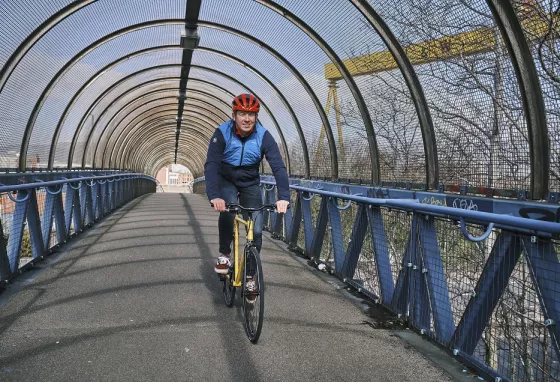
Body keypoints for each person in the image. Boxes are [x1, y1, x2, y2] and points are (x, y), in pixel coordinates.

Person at [204, 93, 290, 280]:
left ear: (256, 117)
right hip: (226, 179)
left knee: (256, 230)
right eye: (242, 114)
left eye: (251, 115)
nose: (247, 119)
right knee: (229, 208)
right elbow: (211, 165)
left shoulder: (264, 136)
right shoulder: (222, 132)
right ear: (234, 115)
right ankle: (225, 254)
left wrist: (283, 197)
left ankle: (250, 276)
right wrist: (214, 195)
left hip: (250, 182)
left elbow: (278, 166)